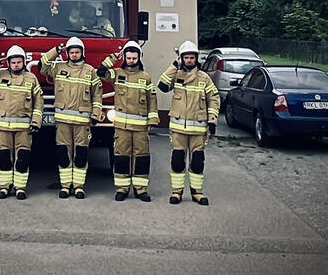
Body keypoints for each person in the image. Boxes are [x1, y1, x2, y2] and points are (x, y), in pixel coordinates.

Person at [39, 37, 102, 199]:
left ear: (82, 53)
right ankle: (66, 186)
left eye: (77, 52)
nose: (74, 55)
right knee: (63, 153)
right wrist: (55, 51)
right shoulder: (58, 68)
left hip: (82, 122)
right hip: (62, 122)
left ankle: (79, 186)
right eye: (71, 52)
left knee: (81, 154)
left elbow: (97, 95)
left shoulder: (90, 71)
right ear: (67, 53)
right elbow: (42, 66)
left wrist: (95, 115)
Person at [157, 40, 220, 205]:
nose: (189, 60)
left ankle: (197, 193)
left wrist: (212, 121)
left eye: (192, 57)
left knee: (197, 162)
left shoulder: (204, 78)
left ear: (196, 59)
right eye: (186, 57)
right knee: (177, 161)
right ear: (181, 59)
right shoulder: (176, 75)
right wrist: (174, 66)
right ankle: (176, 192)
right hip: (178, 129)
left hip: (198, 129)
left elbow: (214, 99)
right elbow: (162, 85)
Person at [97, 41, 159, 202]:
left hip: (140, 128)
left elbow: (152, 100)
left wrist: (153, 119)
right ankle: (122, 189)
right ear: (124, 57)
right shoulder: (116, 74)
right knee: (121, 157)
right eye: (129, 58)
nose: (131, 61)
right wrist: (114, 58)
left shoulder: (145, 77)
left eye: (134, 58)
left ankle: (141, 190)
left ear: (139, 58)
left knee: (141, 158)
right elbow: (100, 71)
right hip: (122, 128)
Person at [0, 45, 43, 200]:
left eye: (18, 62)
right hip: (3, 128)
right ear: (8, 63)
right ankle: (5, 187)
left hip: (24, 129)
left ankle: (20, 188)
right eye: (13, 62)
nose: (16, 65)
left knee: (22, 158)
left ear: (23, 62)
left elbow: (38, 101)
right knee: (4, 158)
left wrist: (36, 122)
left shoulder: (31, 79)